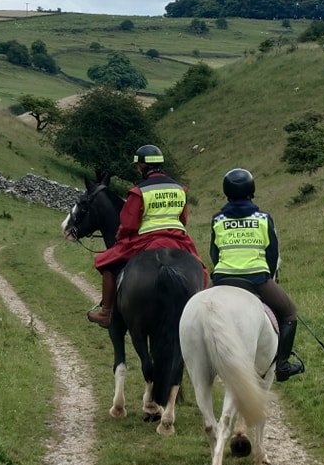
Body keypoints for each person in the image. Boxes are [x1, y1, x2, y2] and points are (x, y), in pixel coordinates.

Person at [86, 144, 204, 328]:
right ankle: (201, 310)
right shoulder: (179, 189)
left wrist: (120, 238)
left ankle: (106, 312)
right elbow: (183, 219)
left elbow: (129, 224)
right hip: (178, 239)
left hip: (147, 239)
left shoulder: (139, 191)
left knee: (106, 262)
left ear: (141, 166)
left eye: (137, 166)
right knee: (200, 268)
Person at [209, 168, 305, 381]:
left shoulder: (217, 219)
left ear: (226, 192)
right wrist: (267, 275)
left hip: (223, 279)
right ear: (251, 190)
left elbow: (214, 254)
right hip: (256, 280)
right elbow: (272, 254)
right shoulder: (263, 218)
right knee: (289, 314)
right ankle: (282, 366)